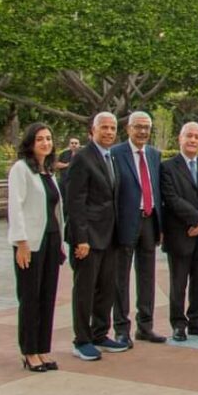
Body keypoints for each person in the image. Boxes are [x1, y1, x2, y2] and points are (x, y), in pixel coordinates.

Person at [66, 111, 127, 361]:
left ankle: (100, 333)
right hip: (88, 238)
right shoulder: (82, 158)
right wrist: (81, 238)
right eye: (104, 127)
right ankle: (82, 340)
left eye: (113, 128)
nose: (109, 132)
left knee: (107, 288)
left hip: (110, 235)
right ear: (92, 130)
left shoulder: (111, 157)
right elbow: (75, 201)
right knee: (85, 290)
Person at [8, 122, 65, 373]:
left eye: (49, 138)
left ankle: (42, 348)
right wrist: (21, 242)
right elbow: (16, 207)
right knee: (30, 297)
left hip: (51, 240)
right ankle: (29, 351)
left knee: (47, 296)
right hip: (30, 243)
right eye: (40, 139)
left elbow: (55, 210)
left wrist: (60, 243)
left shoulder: (47, 172)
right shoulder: (21, 169)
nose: (45, 143)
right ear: (30, 143)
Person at [160, 121, 198, 341]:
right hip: (181, 234)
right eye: (189, 136)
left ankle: (196, 321)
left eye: (197, 137)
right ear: (180, 138)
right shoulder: (167, 167)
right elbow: (171, 199)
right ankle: (178, 324)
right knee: (178, 283)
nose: (193, 140)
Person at [110, 111, 165, 347]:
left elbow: (158, 189)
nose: (143, 131)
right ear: (128, 129)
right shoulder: (116, 153)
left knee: (147, 276)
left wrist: (161, 225)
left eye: (146, 127)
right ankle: (122, 329)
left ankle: (146, 326)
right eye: (138, 127)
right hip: (125, 223)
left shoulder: (154, 154)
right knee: (120, 278)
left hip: (149, 221)